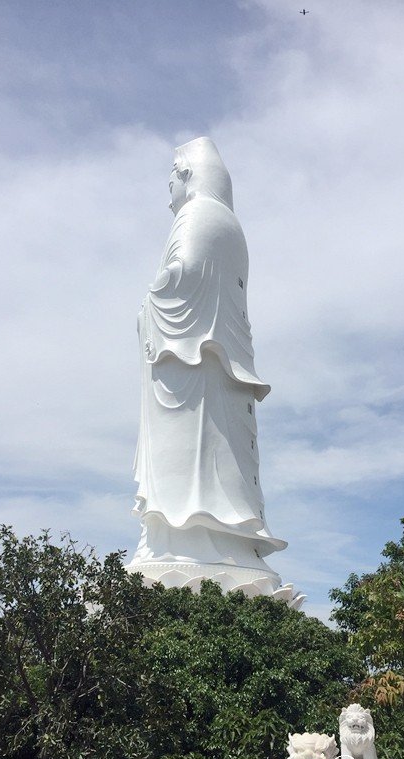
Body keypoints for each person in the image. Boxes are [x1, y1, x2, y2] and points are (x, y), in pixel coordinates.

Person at [128, 137, 286, 588]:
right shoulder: (229, 223)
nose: (168, 196)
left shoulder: (199, 215)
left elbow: (186, 274)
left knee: (197, 457)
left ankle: (185, 544)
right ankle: (201, 542)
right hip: (211, 366)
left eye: (171, 181)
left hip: (190, 366)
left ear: (187, 175)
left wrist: (148, 307)